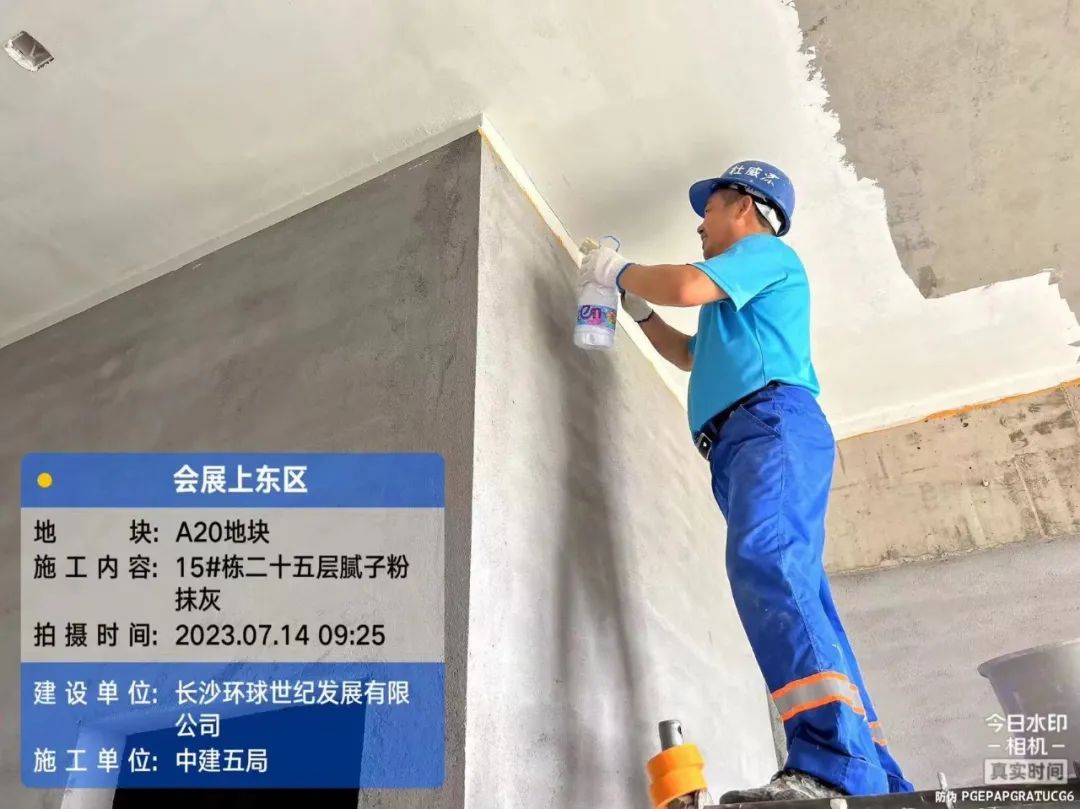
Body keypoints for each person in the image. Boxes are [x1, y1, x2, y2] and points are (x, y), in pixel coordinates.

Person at [579, 161, 915, 802]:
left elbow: (685, 284)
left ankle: (832, 763)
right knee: (796, 587)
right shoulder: (733, 300)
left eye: (709, 209)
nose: (700, 225)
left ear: (744, 206)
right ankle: (874, 775)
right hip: (742, 445)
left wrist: (617, 269)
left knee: (769, 563)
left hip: (770, 424)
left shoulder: (766, 254)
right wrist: (640, 311)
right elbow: (688, 355)